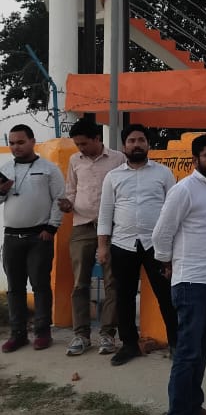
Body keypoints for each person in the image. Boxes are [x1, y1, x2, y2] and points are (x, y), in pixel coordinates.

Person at [152, 134, 206, 415]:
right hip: (191, 283)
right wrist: (166, 262)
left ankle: (194, 409)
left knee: (202, 348)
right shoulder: (184, 190)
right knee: (187, 352)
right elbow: (161, 233)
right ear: (195, 158)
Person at [97, 124, 177, 367]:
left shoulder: (163, 174)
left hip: (157, 246)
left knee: (167, 296)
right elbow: (105, 213)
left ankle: (177, 344)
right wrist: (102, 246)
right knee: (124, 297)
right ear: (124, 146)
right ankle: (129, 345)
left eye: (141, 140)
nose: (137, 144)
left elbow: (173, 211)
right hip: (123, 245)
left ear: (148, 144)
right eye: (131, 141)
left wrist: (172, 246)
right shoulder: (113, 177)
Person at [58, 118, 124, 357]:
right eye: (77, 144)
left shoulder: (118, 159)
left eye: (84, 143)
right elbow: (71, 190)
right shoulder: (74, 160)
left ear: (97, 138)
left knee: (112, 282)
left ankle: (108, 334)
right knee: (80, 283)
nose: (80, 148)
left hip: (113, 228)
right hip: (82, 226)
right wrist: (67, 204)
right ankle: (81, 335)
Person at [0, 125, 65, 352]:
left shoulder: (49, 169)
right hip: (11, 237)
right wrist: (2, 190)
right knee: (15, 288)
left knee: (40, 286)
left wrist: (52, 228)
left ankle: (42, 332)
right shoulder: (5, 169)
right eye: (12, 143)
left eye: (21, 142)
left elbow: (59, 199)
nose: (16, 147)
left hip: (39, 236)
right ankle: (18, 334)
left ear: (32, 141)